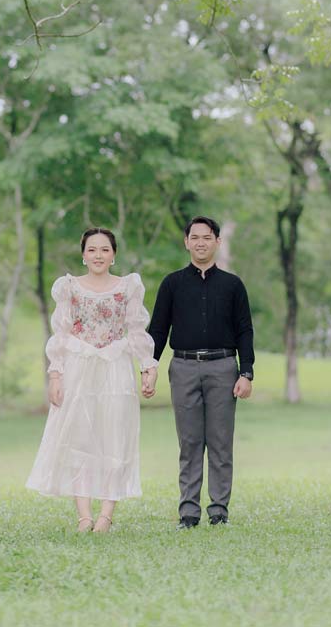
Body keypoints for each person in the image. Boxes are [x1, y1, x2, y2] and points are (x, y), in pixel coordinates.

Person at [25, 227, 158, 532]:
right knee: (79, 438)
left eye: (105, 250)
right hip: (79, 366)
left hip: (115, 367)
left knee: (115, 436)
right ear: (83, 255)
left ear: (114, 255)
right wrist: (55, 374)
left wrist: (147, 367)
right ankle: (84, 515)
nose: (98, 255)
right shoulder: (70, 287)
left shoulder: (128, 287)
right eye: (92, 250)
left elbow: (136, 330)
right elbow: (61, 333)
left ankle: (106, 515)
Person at [146, 215, 254, 528]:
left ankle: (219, 511)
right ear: (186, 242)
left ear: (217, 242)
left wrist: (246, 372)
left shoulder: (233, 285)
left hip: (223, 368)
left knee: (220, 443)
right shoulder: (172, 284)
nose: (201, 243)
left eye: (207, 237)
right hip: (183, 367)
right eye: (195, 237)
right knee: (190, 443)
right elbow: (158, 329)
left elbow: (244, 330)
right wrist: (149, 366)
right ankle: (189, 513)